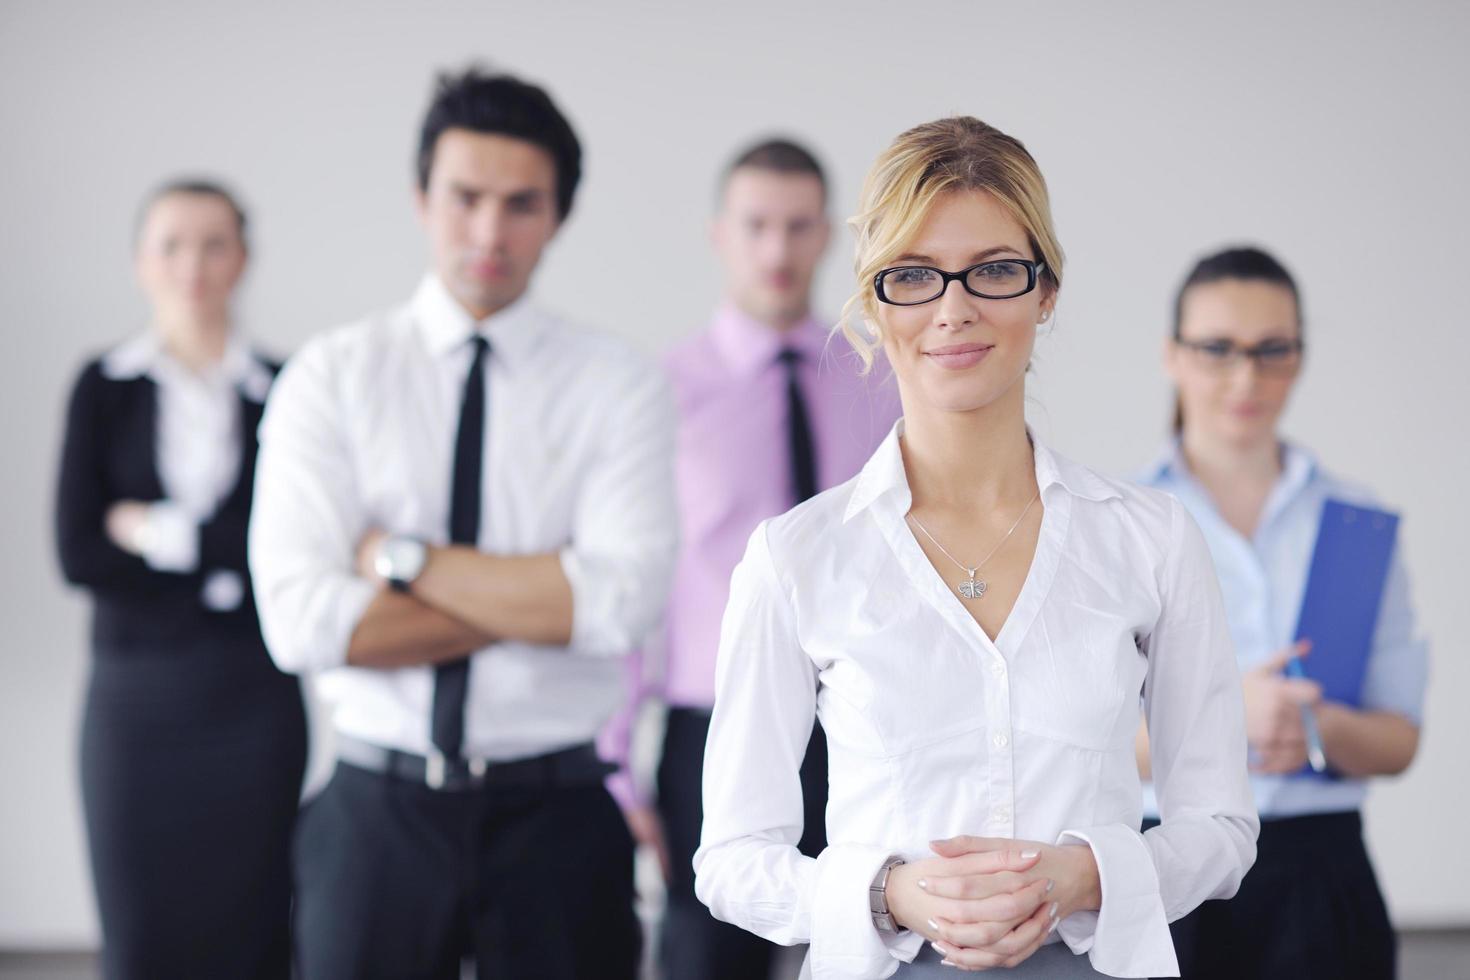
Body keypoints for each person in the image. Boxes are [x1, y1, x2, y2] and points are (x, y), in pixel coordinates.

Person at [692, 117, 1260, 979]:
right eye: (914, 275)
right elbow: (730, 860)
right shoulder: (797, 557)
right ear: (875, 304)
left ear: (1047, 289)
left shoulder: (1149, 541)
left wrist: (1091, 873)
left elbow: (1219, 827)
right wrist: (891, 894)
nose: (954, 309)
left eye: (994, 270)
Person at [247, 67, 676, 979]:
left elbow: (620, 605)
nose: (489, 232)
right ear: (420, 197)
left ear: (558, 215)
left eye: (521, 203)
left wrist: (399, 563)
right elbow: (300, 623)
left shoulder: (618, 385)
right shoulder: (331, 377)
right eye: (466, 197)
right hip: (375, 815)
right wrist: (544, 588)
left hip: (560, 818)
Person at [599, 137, 901, 980]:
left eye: (800, 225)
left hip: (857, 725)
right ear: (719, 234)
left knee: (867, 952)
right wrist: (617, 766)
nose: (778, 249)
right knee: (707, 960)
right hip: (714, 728)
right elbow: (635, 583)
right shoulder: (661, 394)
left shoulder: (882, 384)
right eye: (757, 225)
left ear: (828, 238)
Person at [1135, 246, 1427, 979]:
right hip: (1165, 864)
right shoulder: (1123, 523)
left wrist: (1315, 730)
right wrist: (1227, 716)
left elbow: (1399, 740)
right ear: (1172, 355)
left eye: (1272, 350)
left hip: (1318, 871)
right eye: (1217, 349)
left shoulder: (1355, 524)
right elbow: (1077, 736)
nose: (1246, 377)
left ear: (1298, 358)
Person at [54, 179, 305, 979]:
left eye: (214, 243)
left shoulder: (287, 386)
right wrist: (220, 553)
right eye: (171, 244)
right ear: (141, 263)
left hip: (254, 699)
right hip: (137, 698)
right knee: (141, 930)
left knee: (256, 919)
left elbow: (290, 544)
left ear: (243, 259)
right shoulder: (103, 386)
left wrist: (159, 531)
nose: (191, 264)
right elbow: (79, 554)